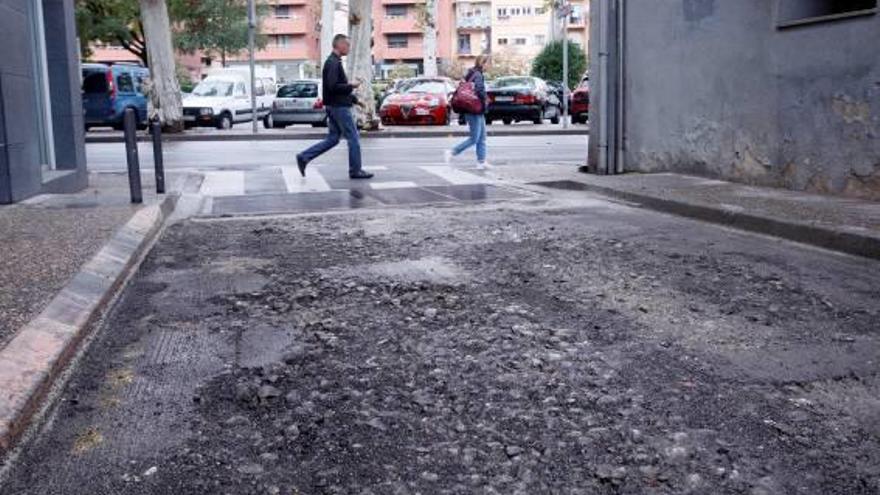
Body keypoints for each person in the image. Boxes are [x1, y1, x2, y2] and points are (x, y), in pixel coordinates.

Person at [296, 34, 373, 180]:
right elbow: (333, 87)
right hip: (339, 108)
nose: (349, 48)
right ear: (340, 45)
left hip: (334, 106)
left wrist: (356, 100)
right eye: (348, 45)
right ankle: (355, 171)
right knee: (354, 138)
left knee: (333, 139)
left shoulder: (334, 62)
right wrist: (351, 85)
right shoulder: (333, 63)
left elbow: (337, 89)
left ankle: (304, 157)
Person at [445, 55, 491, 169]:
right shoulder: (478, 75)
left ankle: (481, 162)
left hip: (473, 108)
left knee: (482, 137)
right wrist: (486, 99)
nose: (489, 65)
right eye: (488, 63)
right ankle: (452, 152)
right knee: (475, 138)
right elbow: (479, 90)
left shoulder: (471, 72)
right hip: (474, 109)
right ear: (482, 63)